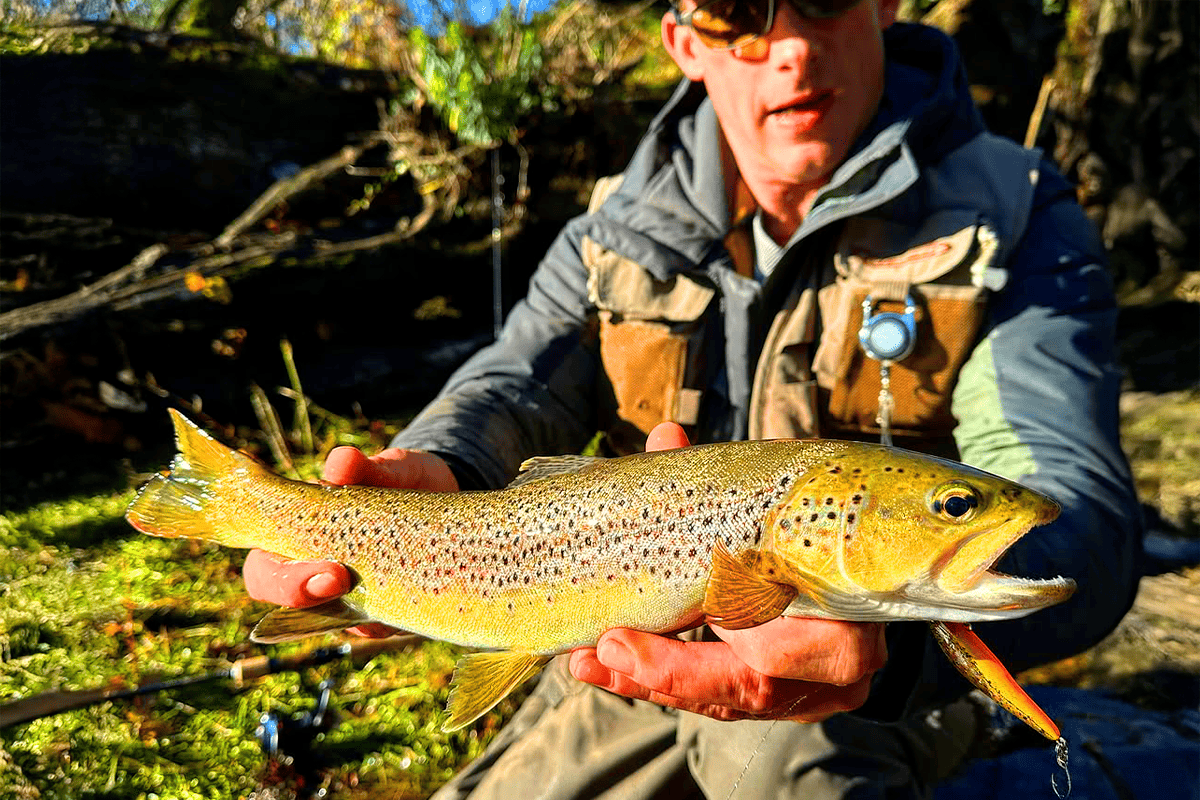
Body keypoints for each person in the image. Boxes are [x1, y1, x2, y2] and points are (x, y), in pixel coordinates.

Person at [243, 0, 1143, 796]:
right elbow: (513, 383)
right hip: (609, 646)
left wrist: (895, 647)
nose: (788, 47)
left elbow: (1074, 503)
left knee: (795, 764)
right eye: (735, 11)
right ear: (682, 41)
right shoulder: (610, 233)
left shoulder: (1016, 219)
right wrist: (435, 465)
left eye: (823, 0)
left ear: (885, 6)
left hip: (879, 693)